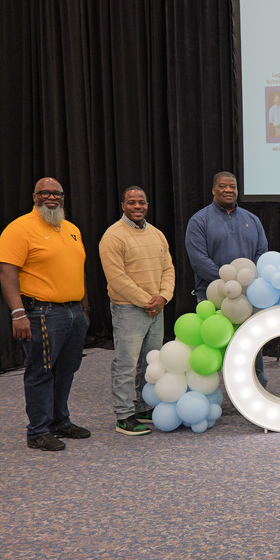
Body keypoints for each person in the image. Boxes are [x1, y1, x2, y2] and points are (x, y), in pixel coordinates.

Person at [0, 177, 91, 451]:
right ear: (34, 196)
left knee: (67, 370)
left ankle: (60, 421)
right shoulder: (19, 229)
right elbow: (7, 271)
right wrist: (17, 313)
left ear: (63, 197)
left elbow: (78, 269)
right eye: (45, 192)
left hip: (74, 312)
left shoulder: (71, 228)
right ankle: (37, 431)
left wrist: (85, 308)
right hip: (42, 313)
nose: (52, 197)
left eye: (57, 193)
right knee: (40, 371)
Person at [99, 186, 175, 436]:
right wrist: (148, 301)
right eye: (131, 202)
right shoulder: (112, 236)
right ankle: (123, 415)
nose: (137, 207)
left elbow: (168, 269)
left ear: (147, 205)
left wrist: (163, 297)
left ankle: (142, 407)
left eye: (141, 202)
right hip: (129, 310)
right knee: (126, 363)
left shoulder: (157, 234)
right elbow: (117, 278)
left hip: (156, 309)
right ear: (123, 205)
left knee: (150, 362)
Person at [185, 171, 269, 387]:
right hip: (212, 296)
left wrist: (244, 285)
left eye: (232, 187)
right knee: (212, 347)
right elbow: (198, 259)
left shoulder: (252, 220)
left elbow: (262, 254)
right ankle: (206, 393)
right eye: (223, 186)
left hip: (248, 297)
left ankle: (257, 389)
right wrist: (228, 285)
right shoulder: (199, 220)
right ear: (213, 190)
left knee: (251, 345)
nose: (229, 190)